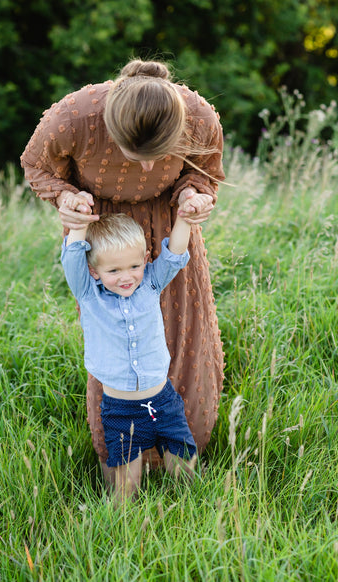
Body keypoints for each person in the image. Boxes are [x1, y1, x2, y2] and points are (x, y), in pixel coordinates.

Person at [20, 57, 226, 486]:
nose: (149, 170)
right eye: (138, 158)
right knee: (114, 338)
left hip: (171, 228)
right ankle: (120, 459)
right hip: (106, 236)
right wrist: (67, 198)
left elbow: (205, 174)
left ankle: (184, 455)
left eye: (160, 158)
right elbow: (35, 165)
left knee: (184, 336)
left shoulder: (200, 116)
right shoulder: (73, 118)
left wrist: (193, 197)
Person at [61, 211, 198, 502]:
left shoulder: (150, 283)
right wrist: (79, 224)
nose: (126, 277)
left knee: (185, 472)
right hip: (121, 410)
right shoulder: (89, 295)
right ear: (94, 271)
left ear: (146, 259)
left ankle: (194, 512)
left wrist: (185, 218)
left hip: (164, 402)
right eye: (114, 271)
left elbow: (174, 253)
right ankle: (125, 530)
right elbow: (72, 257)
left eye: (134, 266)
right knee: (126, 487)